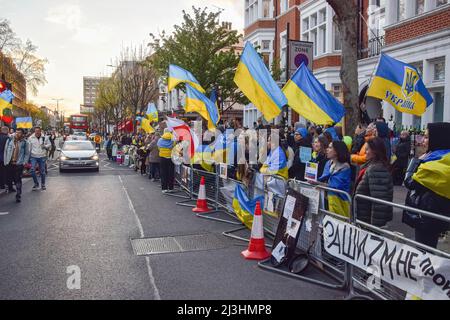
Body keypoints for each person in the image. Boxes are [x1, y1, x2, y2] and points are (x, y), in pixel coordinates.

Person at [403, 123, 450, 248]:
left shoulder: (434, 163)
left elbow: (409, 182)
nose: (423, 141)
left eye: (427, 137)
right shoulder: (442, 158)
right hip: (439, 215)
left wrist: (416, 160)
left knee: (424, 252)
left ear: (438, 139)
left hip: (428, 217)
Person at [354, 137, 394, 227]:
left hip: (368, 221)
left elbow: (379, 201)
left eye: (367, 149)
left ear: (375, 151)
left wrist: (374, 227)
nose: (365, 152)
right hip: (365, 217)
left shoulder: (376, 168)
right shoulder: (371, 166)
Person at [310, 141, 352, 218]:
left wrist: (317, 183)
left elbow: (335, 186)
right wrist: (312, 179)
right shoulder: (328, 163)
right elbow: (324, 177)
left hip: (340, 201)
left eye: (330, 147)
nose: (327, 149)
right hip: (328, 199)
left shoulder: (345, 167)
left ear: (336, 151)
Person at [4, 129, 30, 202]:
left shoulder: (25, 142)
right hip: (10, 163)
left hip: (19, 163)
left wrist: (24, 162)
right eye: (17, 132)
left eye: (20, 133)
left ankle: (18, 194)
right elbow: (6, 151)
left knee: (18, 179)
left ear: (22, 134)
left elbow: (27, 153)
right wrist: (5, 161)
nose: (18, 134)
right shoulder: (9, 140)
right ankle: (10, 187)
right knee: (11, 178)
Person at [0, 126, 9, 192]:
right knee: (4, 172)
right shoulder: (7, 138)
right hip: (4, 157)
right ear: (6, 131)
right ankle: (3, 184)